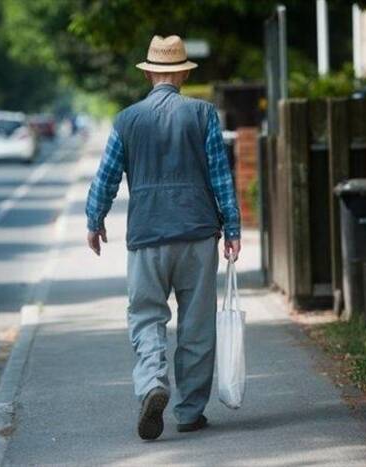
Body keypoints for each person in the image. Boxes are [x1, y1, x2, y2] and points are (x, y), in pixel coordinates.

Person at [85, 35, 241, 441]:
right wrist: (233, 228)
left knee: (147, 316)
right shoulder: (203, 114)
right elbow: (221, 176)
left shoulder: (126, 119)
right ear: (184, 74)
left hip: (147, 235)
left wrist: (94, 219)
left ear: (151, 72)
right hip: (197, 233)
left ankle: (153, 383)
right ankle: (190, 412)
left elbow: (107, 176)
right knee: (197, 324)